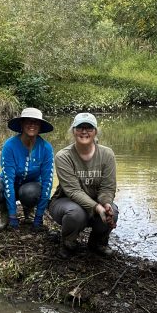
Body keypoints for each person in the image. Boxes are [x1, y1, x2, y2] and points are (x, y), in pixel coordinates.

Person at [48, 111, 118, 259]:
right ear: (73, 130)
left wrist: (106, 203)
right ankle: (68, 242)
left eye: (89, 128)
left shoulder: (107, 154)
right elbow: (73, 191)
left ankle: (98, 243)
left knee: (114, 211)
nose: (84, 131)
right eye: (80, 127)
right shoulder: (63, 156)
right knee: (76, 213)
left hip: (96, 201)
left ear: (95, 132)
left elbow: (108, 187)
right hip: (66, 202)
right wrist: (97, 208)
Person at [0, 107, 54, 231]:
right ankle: (5, 213)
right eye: (28, 121)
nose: (32, 125)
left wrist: (39, 216)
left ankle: (29, 212)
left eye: (36, 122)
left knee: (30, 193)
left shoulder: (46, 148)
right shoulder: (10, 145)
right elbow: (8, 180)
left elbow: (48, 183)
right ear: (22, 124)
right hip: (11, 183)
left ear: (40, 126)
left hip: (31, 186)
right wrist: (12, 215)